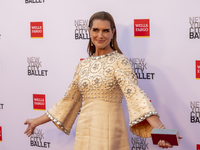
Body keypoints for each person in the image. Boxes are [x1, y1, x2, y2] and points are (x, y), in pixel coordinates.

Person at [24, 11, 179, 149]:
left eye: (105, 30)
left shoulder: (120, 61)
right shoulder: (83, 65)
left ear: (113, 33)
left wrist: (160, 129)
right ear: (89, 31)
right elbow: (68, 101)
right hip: (85, 128)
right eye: (96, 30)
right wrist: (36, 121)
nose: (100, 35)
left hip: (109, 127)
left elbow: (135, 95)